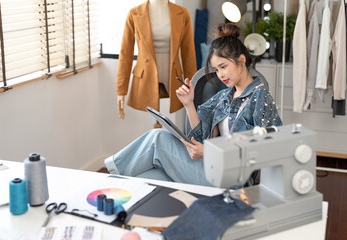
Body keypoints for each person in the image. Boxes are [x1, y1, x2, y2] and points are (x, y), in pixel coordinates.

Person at [105, 23, 282, 187]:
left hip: (231, 180)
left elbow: (268, 151)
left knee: (157, 138)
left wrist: (210, 153)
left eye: (223, 67)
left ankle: (108, 177)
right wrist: (189, 104)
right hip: (208, 166)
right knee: (145, 176)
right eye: (216, 70)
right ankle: (113, 194)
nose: (220, 75)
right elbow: (201, 138)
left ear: (241, 60)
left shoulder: (260, 97)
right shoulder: (224, 96)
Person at [116, 0, 197, 120]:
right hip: (145, 77)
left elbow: (188, 52)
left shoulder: (182, 13)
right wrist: (121, 90)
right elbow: (126, 53)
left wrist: (193, 85)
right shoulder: (134, 13)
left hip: (172, 76)